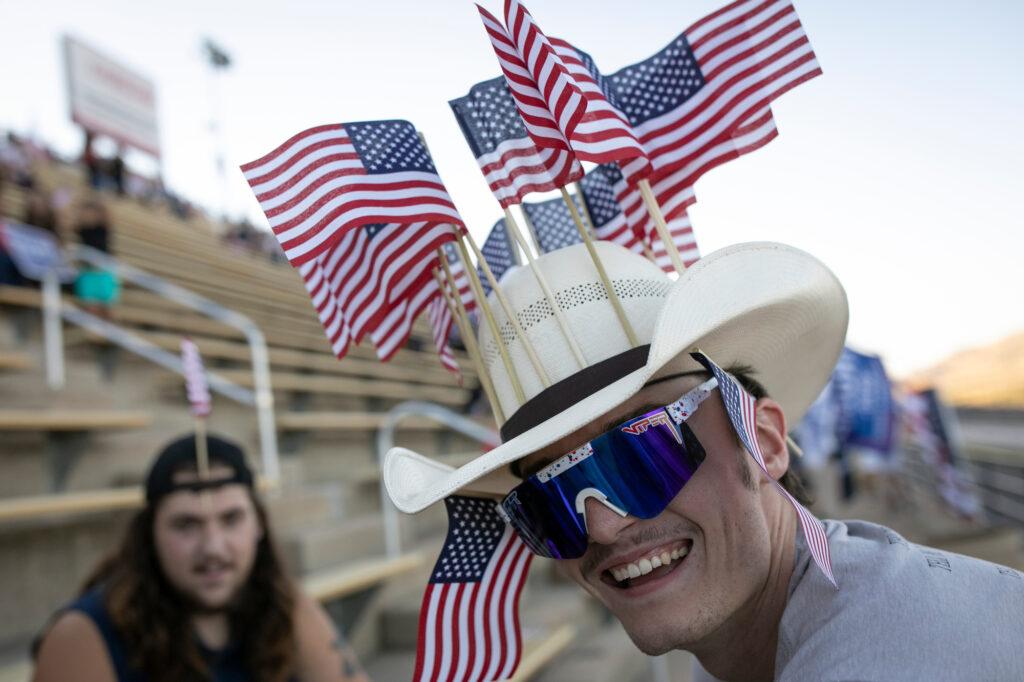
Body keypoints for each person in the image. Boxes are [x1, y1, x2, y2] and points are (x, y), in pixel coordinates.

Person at [382, 241, 1024, 681]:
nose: (603, 526)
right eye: (551, 500)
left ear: (766, 441)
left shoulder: (884, 653)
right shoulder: (773, 633)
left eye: (642, 450)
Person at [33, 434, 370, 682]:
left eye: (231, 519)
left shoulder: (284, 608)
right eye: (186, 524)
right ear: (150, 535)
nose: (213, 548)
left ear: (260, 525)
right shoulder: (85, 634)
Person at [72, 199, 120, 317]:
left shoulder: (103, 227)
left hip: (103, 270)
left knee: (107, 307)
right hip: (88, 270)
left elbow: (108, 215)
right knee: (90, 306)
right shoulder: (82, 228)